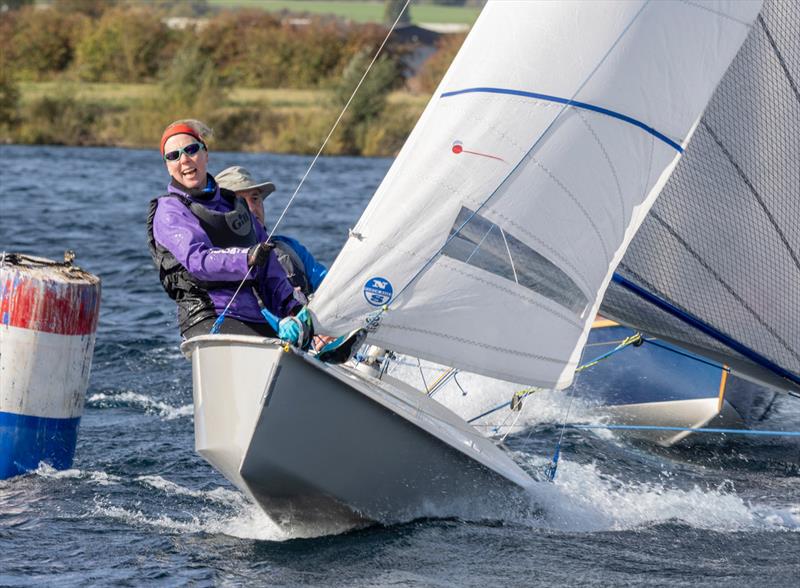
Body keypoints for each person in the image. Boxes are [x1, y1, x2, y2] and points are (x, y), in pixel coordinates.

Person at [146, 120, 312, 346]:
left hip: (252, 317)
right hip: (206, 317)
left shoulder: (235, 205)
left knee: (300, 343)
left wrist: (293, 308)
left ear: (206, 154)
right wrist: (246, 257)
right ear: (167, 166)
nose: (184, 159)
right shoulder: (169, 211)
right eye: (173, 156)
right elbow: (198, 260)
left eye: (191, 150)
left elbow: (270, 269)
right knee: (273, 350)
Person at [215, 165, 327, 305]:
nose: (251, 208)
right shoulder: (217, 263)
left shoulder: (290, 247)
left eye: (255, 199)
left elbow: (329, 284)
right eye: (240, 201)